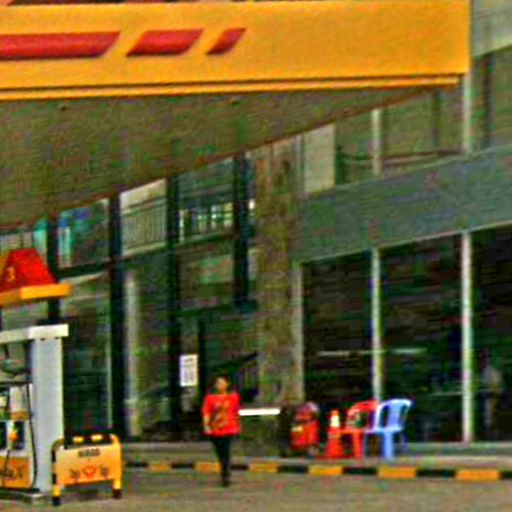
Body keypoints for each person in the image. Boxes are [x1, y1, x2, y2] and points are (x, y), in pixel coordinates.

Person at [201, 375, 241, 487]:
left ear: (227, 384)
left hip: (228, 428)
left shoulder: (233, 397)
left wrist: (237, 425)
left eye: (222, 383)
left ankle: (225, 474)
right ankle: (224, 471)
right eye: (218, 383)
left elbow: (235, 412)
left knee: (226, 452)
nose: (220, 385)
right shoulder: (210, 398)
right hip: (215, 429)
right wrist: (206, 426)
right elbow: (206, 413)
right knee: (220, 452)